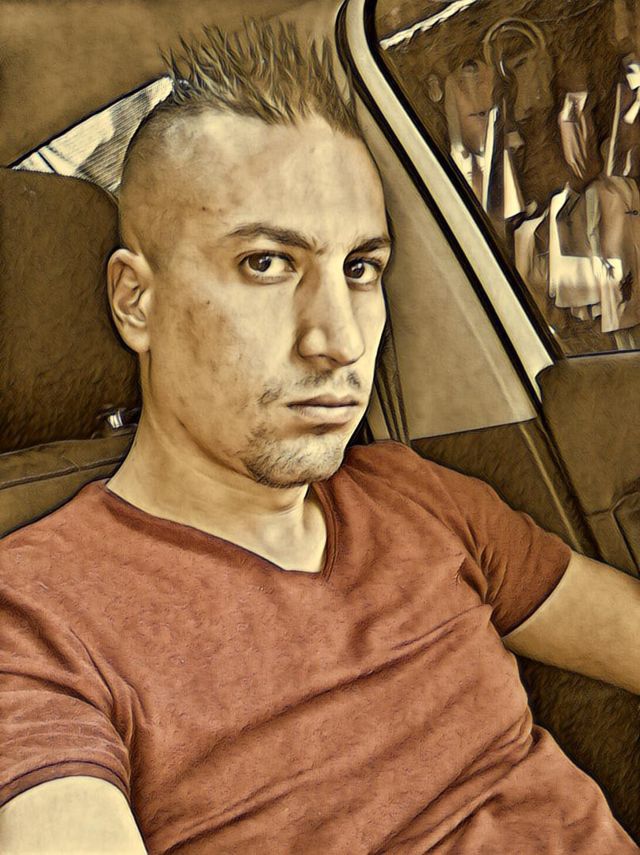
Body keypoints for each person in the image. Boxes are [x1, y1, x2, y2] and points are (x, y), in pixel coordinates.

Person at [0, 19, 639, 855]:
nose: (338, 340)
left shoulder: (417, 493)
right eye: (267, 263)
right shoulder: (37, 613)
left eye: (360, 268)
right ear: (136, 301)